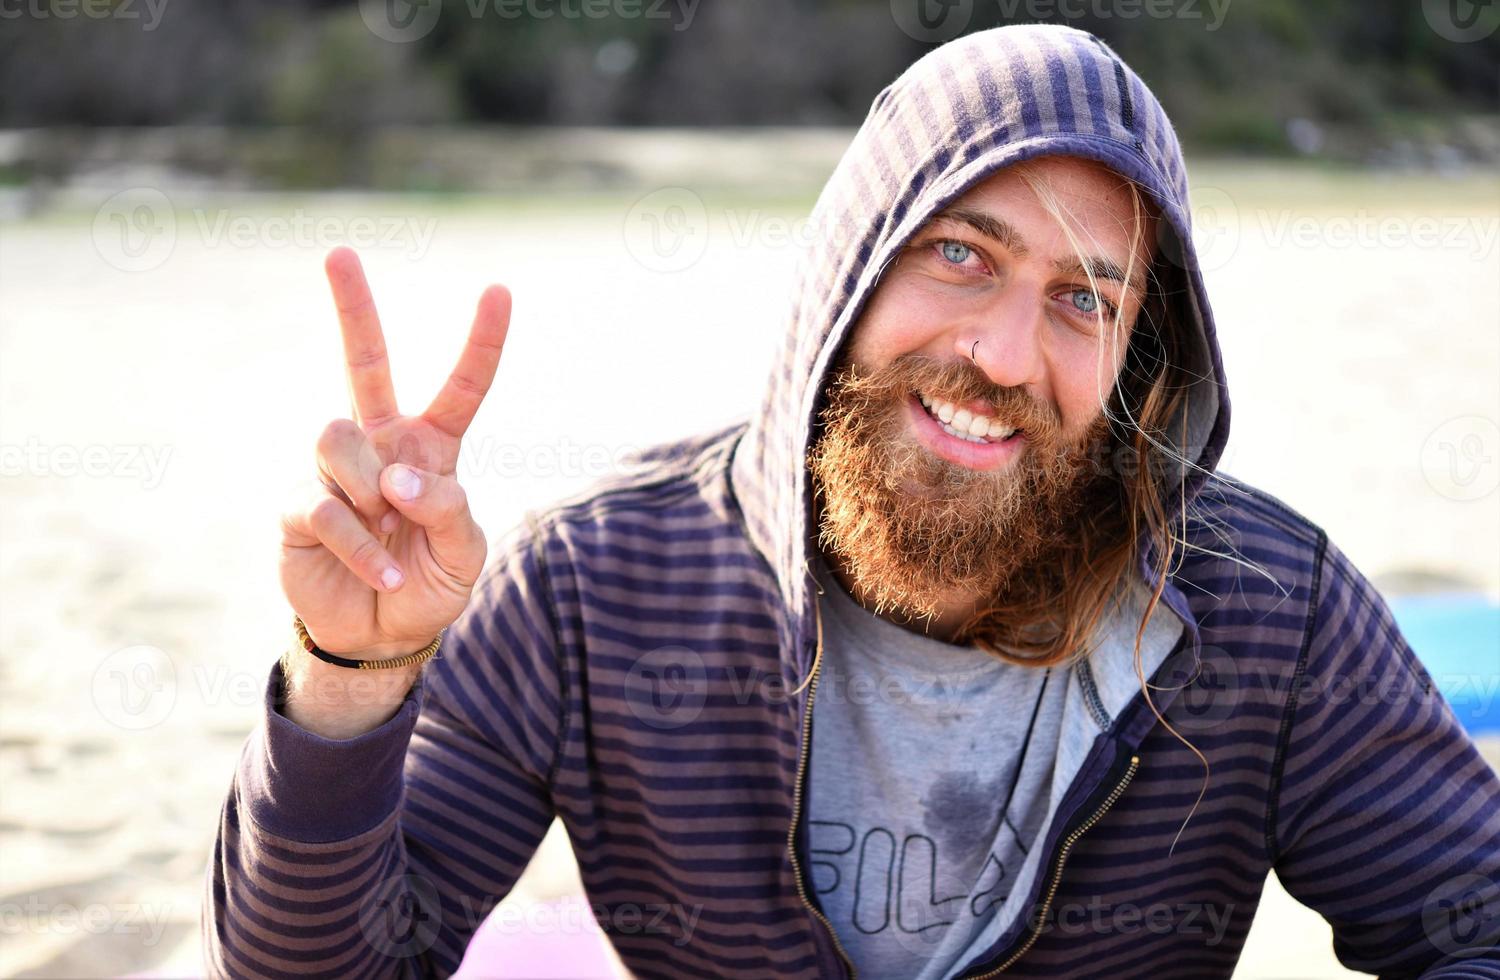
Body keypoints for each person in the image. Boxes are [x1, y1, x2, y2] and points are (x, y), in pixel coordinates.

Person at [201, 23, 1500, 980]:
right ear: (851, 269)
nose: (1002, 352)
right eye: (959, 255)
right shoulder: (595, 586)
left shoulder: (1269, 611)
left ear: (1139, 360)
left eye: (1082, 299)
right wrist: (348, 678)